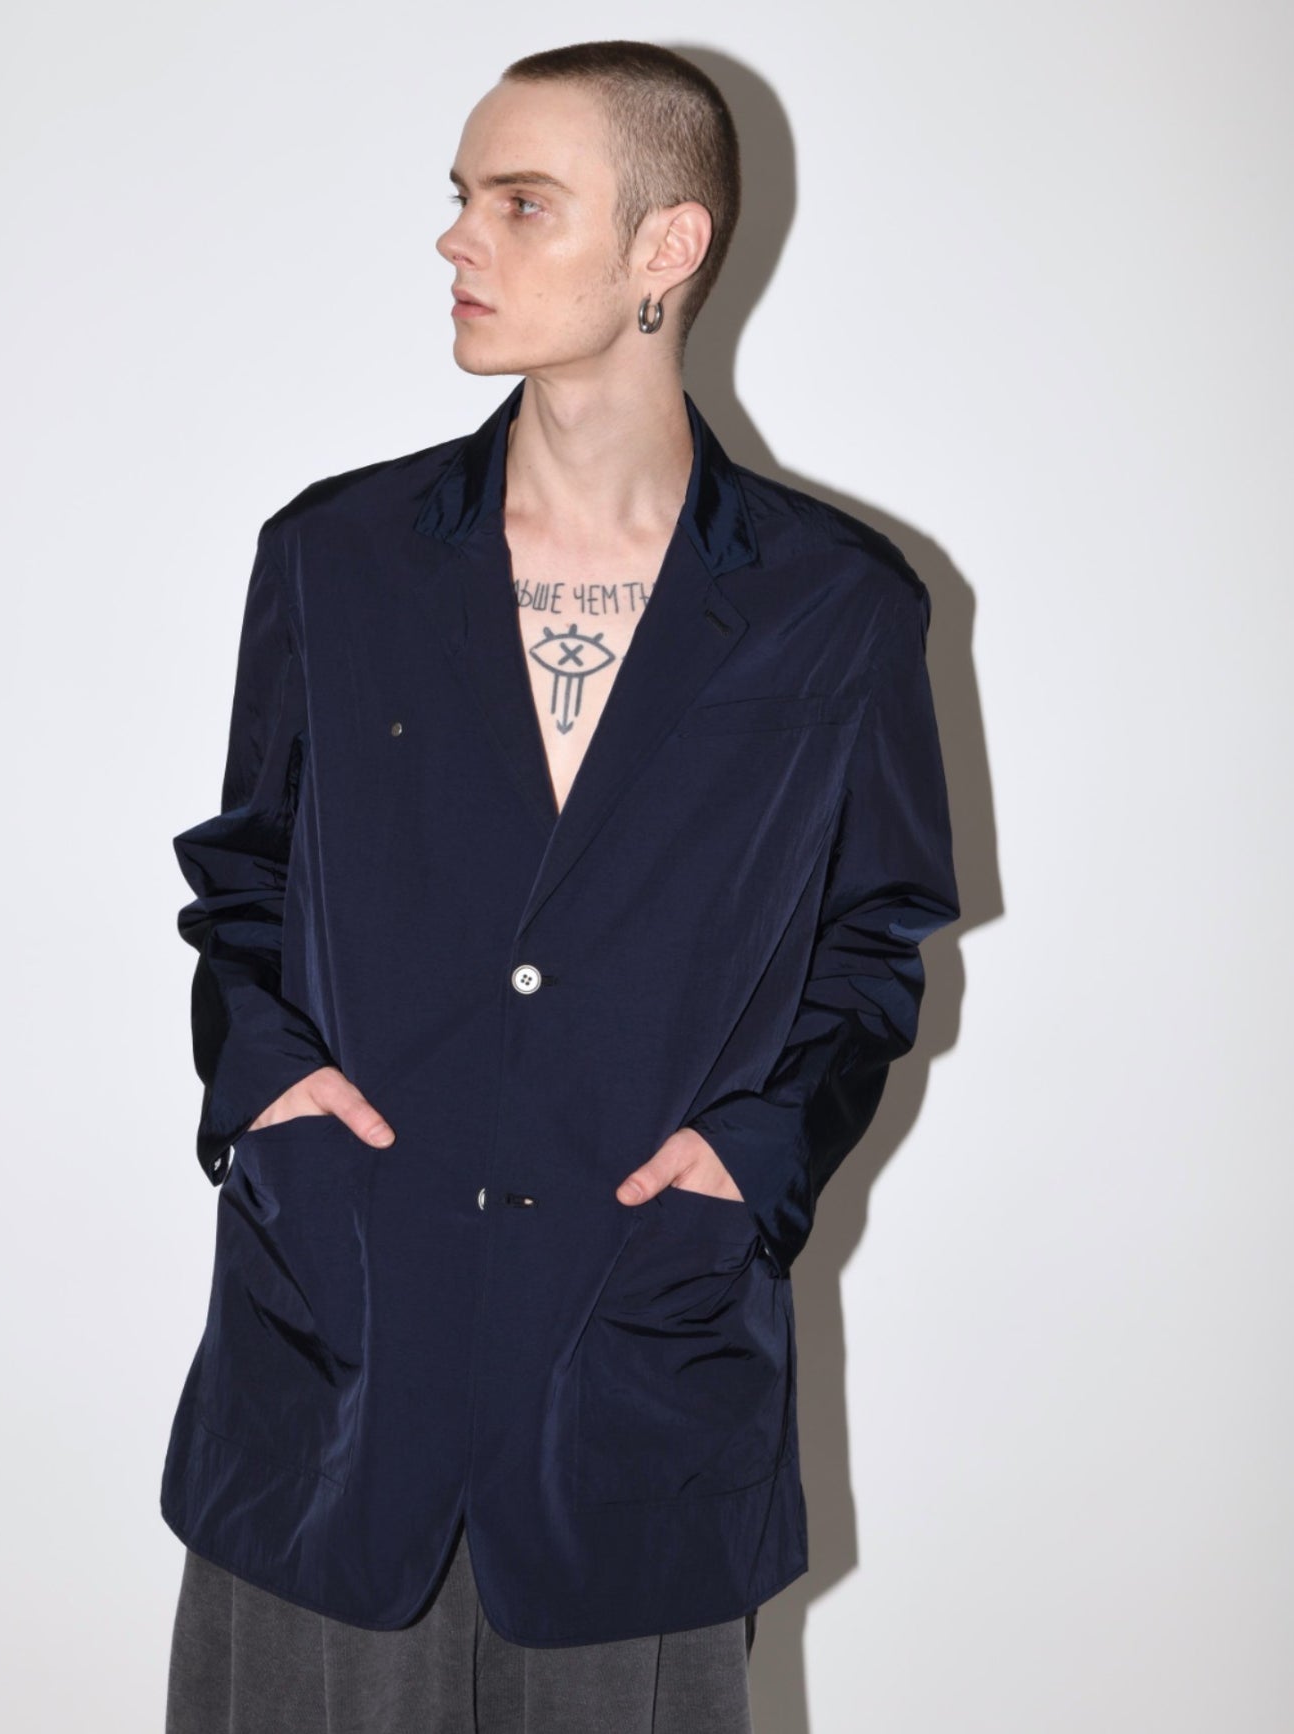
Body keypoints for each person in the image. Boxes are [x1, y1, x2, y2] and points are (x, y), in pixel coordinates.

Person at [161, 38, 960, 1734]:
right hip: (336, 1353)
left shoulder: (836, 605)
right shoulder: (334, 558)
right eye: (463, 197)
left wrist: (750, 1164)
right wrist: (269, 1090)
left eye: (522, 204)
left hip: (633, 1364)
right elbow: (244, 882)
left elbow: (874, 939)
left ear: (665, 246)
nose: (458, 238)